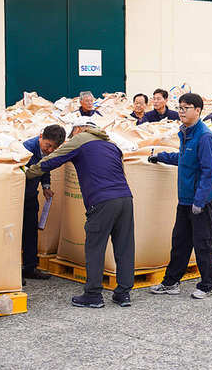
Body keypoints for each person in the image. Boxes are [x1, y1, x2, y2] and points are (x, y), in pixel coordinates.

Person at [24, 117, 135, 308]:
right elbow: (122, 172)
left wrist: (26, 172)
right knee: (124, 247)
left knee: (95, 247)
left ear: (79, 129)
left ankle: (93, 295)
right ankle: (123, 294)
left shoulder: (81, 138)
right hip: (125, 197)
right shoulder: (111, 144)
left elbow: (53, 159)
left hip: (102, 200)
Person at [148, 93, 212, 299]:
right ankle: (171, 282)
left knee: (203, 242)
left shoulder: (204, 137)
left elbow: (209, 172)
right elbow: (184, 158)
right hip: (185, 199)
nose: (181, 111)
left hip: (201, 201)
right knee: (180, 241)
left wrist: (199, 201)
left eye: (185, 108)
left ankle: (207, 285)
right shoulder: (185, 132)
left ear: (198, 110)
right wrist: (160, 156)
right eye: (179, 107)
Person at [21, 124, 67, 280]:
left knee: (31, 230)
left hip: (31, 196)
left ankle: (29, 267)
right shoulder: (25, 149)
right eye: (48, 145)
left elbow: (45, 167)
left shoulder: (47, 152)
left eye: (54, 148)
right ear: (41, 137)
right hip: (18, 197)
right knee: (15, 234)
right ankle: (13, 272)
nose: (50, 150)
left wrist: (46, 187)